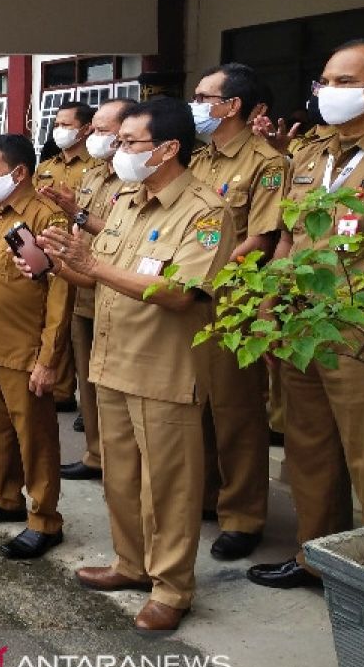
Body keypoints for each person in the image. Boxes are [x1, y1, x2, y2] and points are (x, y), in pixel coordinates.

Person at [36, 97, 234, 634]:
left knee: (169, 484)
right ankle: (131, 563)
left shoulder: (206, 212)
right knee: (120, 475)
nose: (117, 152)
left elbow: (178, 293)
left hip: (163, 369)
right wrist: (55, 262)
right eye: (118, 142)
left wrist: (92, 263)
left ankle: (172, 587)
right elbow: (98, 274)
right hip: (111, 358)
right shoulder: (126, 198)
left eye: (129, 143)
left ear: (169, 148)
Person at [248, 38, 364, 590]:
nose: (330, 92)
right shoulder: (310, 154)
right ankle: (316, 558)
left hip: (361, 330)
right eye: (326, 81)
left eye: (346, 82)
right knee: (308, 448)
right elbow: (285, 240)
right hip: (303, 323)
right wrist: (271, 309)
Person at [0, 134, 72, 560]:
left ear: (18, 172)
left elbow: (60, 292)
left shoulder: (47, 217)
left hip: (24, 348)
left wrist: (48, 358)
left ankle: (44, 520)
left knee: (34, 437)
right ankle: (4, 498)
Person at [186, 63, 288, 562]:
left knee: (238, 413)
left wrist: (209, 269)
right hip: (193, 296)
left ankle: (243, 515)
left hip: (234, 302)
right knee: (198, 403)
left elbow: (264, 237)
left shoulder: (266, 162)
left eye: (204, 97)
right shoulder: (200, 159)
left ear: (233, 107)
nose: (196, 104)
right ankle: (208, 495)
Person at [38, 97, 137, 481]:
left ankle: (123, 460)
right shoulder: (95, 173)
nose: (92, 137)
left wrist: (79, 218)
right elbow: (84, 223)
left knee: (120, 382)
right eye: (92, 128)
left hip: (120, 287)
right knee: (89, 378)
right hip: (83, 285)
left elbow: (121, 234)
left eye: (101, 130)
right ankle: (96, 454)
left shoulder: (137, 176)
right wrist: (71, 216)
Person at [33, 100, 95, 413]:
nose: (59, 130)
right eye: (56, 124)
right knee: (54, 320)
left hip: (83, 256)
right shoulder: (45, 168)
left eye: (66, 125)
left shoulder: (97, 167)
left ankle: (89, 407)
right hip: (49, 251)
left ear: (85, 129)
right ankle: (60, 390)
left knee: (80, 333)